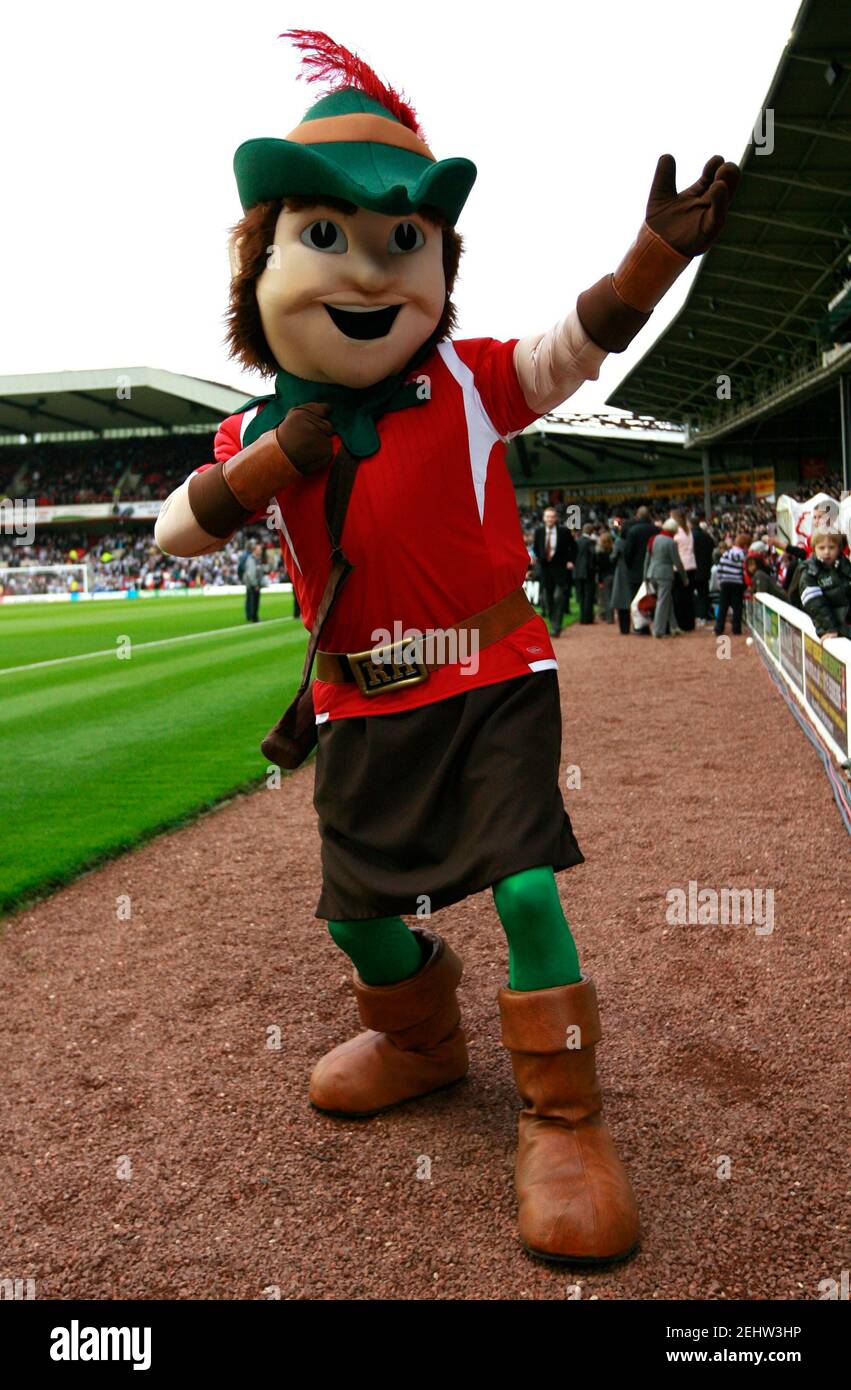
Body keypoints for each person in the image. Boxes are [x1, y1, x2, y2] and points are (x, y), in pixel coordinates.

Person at [154, 28, 739, 1265]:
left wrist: (648, 260)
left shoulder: (467, 380)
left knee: (523, 881)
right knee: (357, 922)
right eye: (327, 239)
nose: (368, 273)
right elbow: (177, 532)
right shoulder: (260, 424)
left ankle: (564, 1116)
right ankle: (424, 1038)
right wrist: (269, 461)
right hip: (360, 705)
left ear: (434, 263)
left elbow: (570, 347)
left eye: (400, 243)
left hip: (489, 673)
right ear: (262, 260)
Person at [798, 529, 851, 640]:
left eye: (831, 547)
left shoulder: (845, 565)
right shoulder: (809, 572)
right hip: (833, 633)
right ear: (814, 548)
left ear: (839, 548)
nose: (827, 552)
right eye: (821, 548)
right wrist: (830, 629)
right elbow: (816, 606)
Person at [532, 505, 575, 637]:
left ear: (556, 518)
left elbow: (574, 547)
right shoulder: (538, 532)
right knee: (547, 599)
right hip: (545, 571)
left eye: (552, 517)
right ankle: (553, 621)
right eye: (547, 517)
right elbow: (535, 548)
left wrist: (570, 561)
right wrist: (537, 558)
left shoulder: (564, 532)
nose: (550, 519)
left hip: (560, 570)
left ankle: (556, 627)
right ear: (544, 518)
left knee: (558, 597)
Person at [644, 517, 686, 637]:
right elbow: (677, 562)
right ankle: (658, 630)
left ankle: (674, 626)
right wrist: (684, 578)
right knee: (662, 601)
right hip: (665, 574)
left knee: (667, 600)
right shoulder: (671, 542)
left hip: (652, 572)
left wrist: (645, 576)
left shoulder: (653, 539)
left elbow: (647, 558)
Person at [714, 532, 749, 635]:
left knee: (723, 606)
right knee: (737, 606)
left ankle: (719, 628)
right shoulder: (744, 555)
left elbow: (719, 569)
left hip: (725, 582)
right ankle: (736, 629)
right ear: (745, 545)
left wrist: (720, 581)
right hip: (737, 583)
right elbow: (745, 571)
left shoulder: (726, 554)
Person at [670, 507, 697, 630]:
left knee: (679, 597)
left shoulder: (677, 533)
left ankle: (681, 623)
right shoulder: (688, 531)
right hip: (691, 565)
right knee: (688, 596)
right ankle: (689, 623)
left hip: (679, 567)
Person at [690, 511, 714, 625]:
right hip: (704, 570)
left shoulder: (689, 537)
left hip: (691, 570)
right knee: (703, 594)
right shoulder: (707, 537)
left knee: (690, 594)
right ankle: (703, 616)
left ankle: (692, 615)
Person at [574, 522, 598, 624]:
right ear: (591, 531)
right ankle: (588, 618)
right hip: (588, 572)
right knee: (589, 595)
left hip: (577, 572)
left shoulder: (577, 541)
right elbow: (593, 558)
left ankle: (582, 618)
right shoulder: (591, 542)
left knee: (581, 596)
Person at [595, 529, 616, 622]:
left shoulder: (600, 553)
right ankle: (608, 615)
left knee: (605, 597)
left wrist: (599, 580)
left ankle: (608, 617)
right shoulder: (613, 551)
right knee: (612, 597)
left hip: (605, 576)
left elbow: (600, 568)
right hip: (614, 576)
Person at [242, 541, 265, 622]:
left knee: (253, 601)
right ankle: (254, 617)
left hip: (254, 583)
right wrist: (255, 584)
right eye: (259, 549)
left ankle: (252, 616)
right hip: (253, 584)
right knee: (254, 601)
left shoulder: (256, 559)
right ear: (255, 550)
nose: (261, 551)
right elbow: (251, 573)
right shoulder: (252, 559)